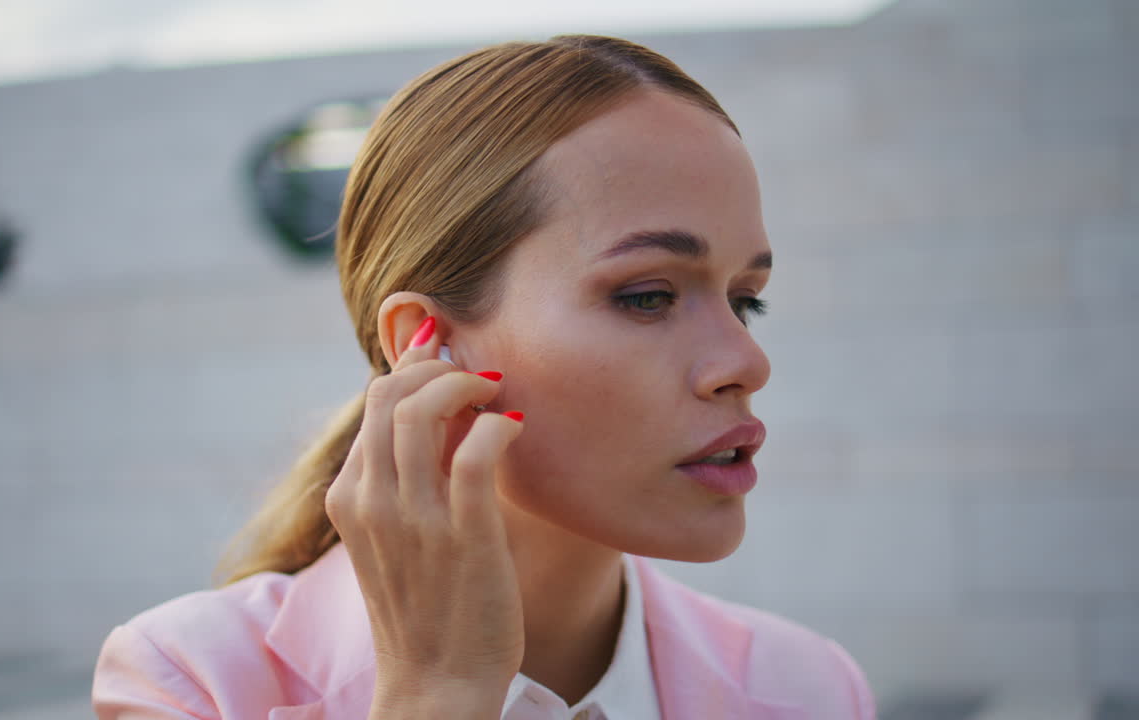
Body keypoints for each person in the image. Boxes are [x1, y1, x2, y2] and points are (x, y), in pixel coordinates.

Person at [92, 34, 876, 719]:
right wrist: (435, 697)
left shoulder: (811, 690)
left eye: (748, 302)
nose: (746, 360)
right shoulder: (191, 684)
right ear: (427, 345)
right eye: (647, 297)